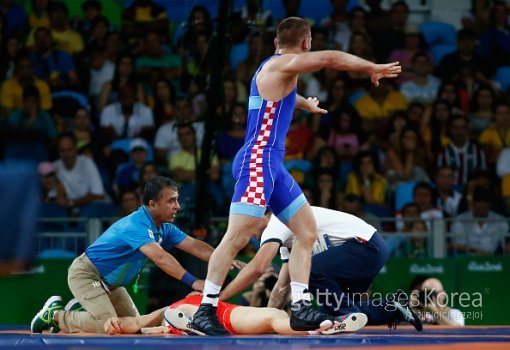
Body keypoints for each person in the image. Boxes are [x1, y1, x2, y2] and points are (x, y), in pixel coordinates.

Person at [190, 16, 401, 336]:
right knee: (237, 236)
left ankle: (301, 305)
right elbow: (331, 58)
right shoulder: (282, 66)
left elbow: (282, 96)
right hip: (257, 162)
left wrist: (305, 104)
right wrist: (370, 66)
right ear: (306, 43)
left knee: (306, 230)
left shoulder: (276, 70)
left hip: (272, 165)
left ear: (276, 42)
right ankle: (205, 310)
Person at [31, 176, 241, 334]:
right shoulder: (135, 224)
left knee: (136, 327)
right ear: (152, 204)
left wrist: (222, 256)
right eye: (171, 201)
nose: (177, 206)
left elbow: (194, 246)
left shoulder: (164, 227)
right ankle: (56, 315)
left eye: (177, 200)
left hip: (112, 286)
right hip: (87, 276)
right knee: (111, 327)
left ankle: (80, 307)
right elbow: (160, 258)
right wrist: (193, 281)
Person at [219, 206, 422, 331]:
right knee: (327, 314)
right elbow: (282, 286)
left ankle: (348, 314)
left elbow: (258, 267)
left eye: (244, 225)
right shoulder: (286, 237)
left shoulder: (277, 222)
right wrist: (265, 319)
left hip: (365, 246)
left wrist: (217, 298)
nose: (246, 234)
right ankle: (391, 309)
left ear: (259, 216)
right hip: (369, 250)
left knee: (311, 272)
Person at [103, 294, 367, 336]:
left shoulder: (205, 296)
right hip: (224, 318)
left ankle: (324, 325)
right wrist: (115, 323)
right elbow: (136, 322)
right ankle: (320, 327)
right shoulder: (174, 306)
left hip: (227, 313)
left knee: (274, 313)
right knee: (272, 318)